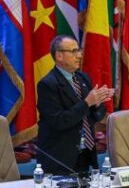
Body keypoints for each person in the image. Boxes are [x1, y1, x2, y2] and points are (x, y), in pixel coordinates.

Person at [37, 35, 114, 175]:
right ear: (59, 55)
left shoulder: (83, 78)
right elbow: (59, 121)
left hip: (85, 152)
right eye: (73, 51)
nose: (79, 55)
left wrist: (98, 102)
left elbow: (95, 115)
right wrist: (87, 102)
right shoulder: (47, 84)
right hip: (60, 157)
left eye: (79, 50)